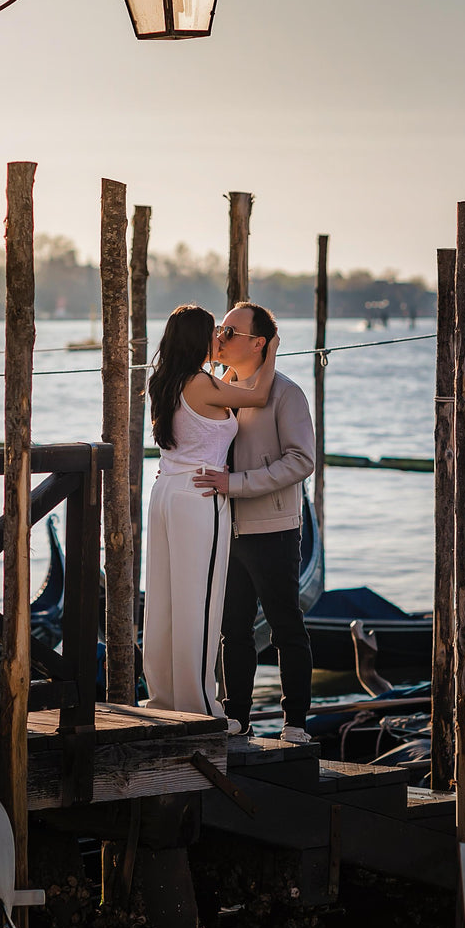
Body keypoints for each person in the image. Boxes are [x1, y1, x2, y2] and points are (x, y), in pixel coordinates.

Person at [143, 304, 279, 717]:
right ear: (198, 339)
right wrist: (270, 349)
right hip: (199, 494)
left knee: (164, 600)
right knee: (199, 601)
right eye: (214, 332)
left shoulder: (164, 380)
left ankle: (165, 697)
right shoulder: (201, 384)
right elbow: (258, 393)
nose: (219, 337)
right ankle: (200, 704)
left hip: (165, 491)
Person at [193, 302, 316, 744]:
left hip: (274, 529)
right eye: (220, 330)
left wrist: (236, 483)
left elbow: (302, 461)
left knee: (286, 626)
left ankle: (296, 722)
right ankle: (237, 717)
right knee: (233, 629)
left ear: (259, 343)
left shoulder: (287, 393)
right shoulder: (218, 387)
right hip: (226, 527)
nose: (220, 337)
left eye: (230, 331)